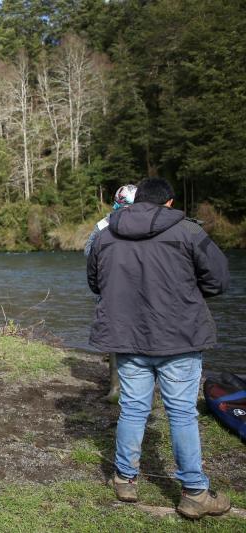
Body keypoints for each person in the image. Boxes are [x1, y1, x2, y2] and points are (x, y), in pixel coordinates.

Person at [87, 177, 231, 519]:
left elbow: (96, 283)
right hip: (179, 335)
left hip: (128, 336)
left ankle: (124, 479)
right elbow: (219, 280)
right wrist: (187, 296)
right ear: (169, 202)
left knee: (134, 409)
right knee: (182, 413)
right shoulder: (189, 232)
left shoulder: (106, 235)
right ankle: (195, 492)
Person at [84, 184, 137, 403]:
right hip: (138, 290)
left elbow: (89, 254)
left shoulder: (103, 224)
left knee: (116, 340)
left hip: (111, 289)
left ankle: (116, 388)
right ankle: (124, 388)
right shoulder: (149, 222)